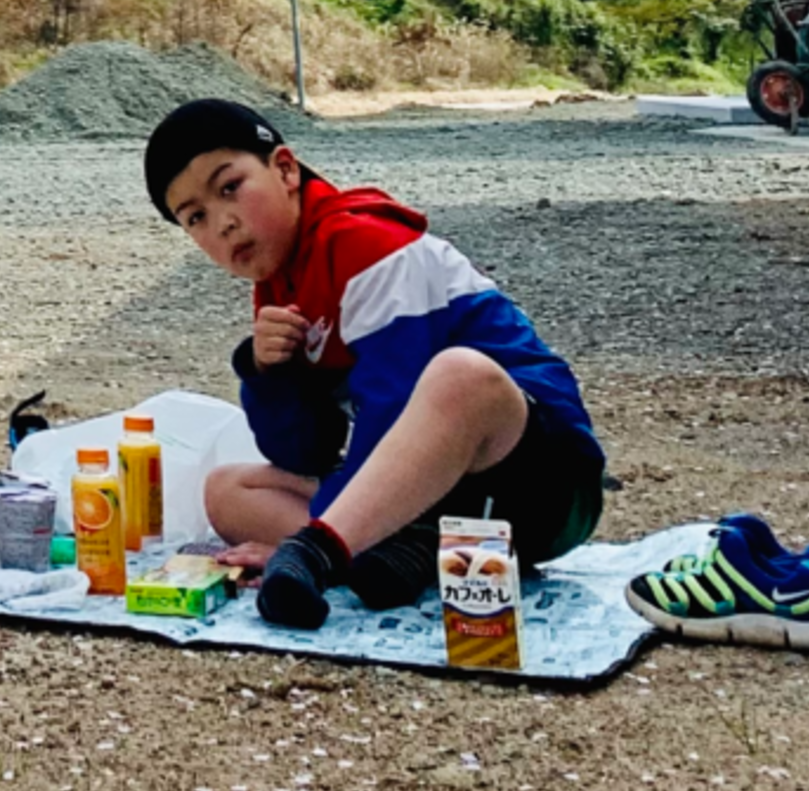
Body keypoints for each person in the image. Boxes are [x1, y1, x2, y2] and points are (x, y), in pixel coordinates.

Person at [144, 94, 605, 631]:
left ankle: (324, 552)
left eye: (230, 188)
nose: (221, 223)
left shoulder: (368, 243)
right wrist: (269, 374)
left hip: (540, 484)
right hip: (440, 507)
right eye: (195, 216)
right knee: (226, 491)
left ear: (286, 169)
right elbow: (305, 451)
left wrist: (308, 541)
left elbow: (392, 410)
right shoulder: (279, 285)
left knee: (462, 374)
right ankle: (397, 556)